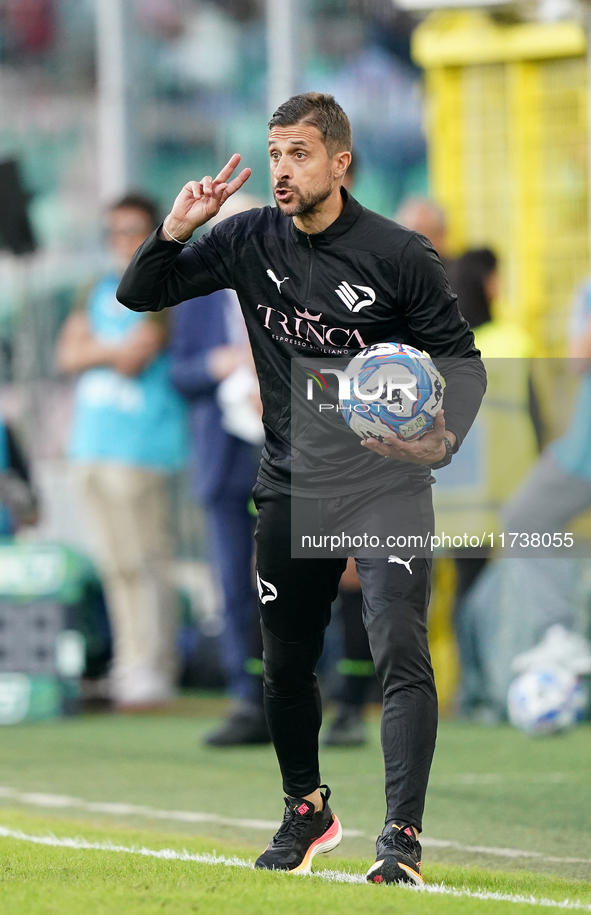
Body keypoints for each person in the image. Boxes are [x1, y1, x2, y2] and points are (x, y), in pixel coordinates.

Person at [117, 93, 486, 885]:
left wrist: (441, 436)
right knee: (282, 666)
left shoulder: (399, 254)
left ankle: (401, 839)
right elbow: (139, 295)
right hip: (290, 482)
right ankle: (305, 811)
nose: (282, 169)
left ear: (340, 161)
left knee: (398, 648)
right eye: (275, 153)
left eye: (299, 153)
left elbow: (464, 363)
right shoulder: (249, 238)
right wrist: (177, 226)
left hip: (387, 482)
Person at [56, 193, 187, 710]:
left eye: (133, 229)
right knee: (113, 563)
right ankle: (128, 661)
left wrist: (97, 352)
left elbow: (136, 357)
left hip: (141, 446)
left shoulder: (165, 288)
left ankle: (155, 665)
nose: (122, 240)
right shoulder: (93, 288)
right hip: (90, 442)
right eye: (114, 231)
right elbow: (67, 355)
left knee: (145, 559)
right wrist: (103, 352)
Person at [169, 193, 269, 746]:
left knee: (297, 574)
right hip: (223, 451)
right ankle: (244, 697)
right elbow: (181, 373)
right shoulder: (198, 296)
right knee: (233, 579)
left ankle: (306, 695)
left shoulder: (295, 287)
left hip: (283, 443)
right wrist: (222, 364)